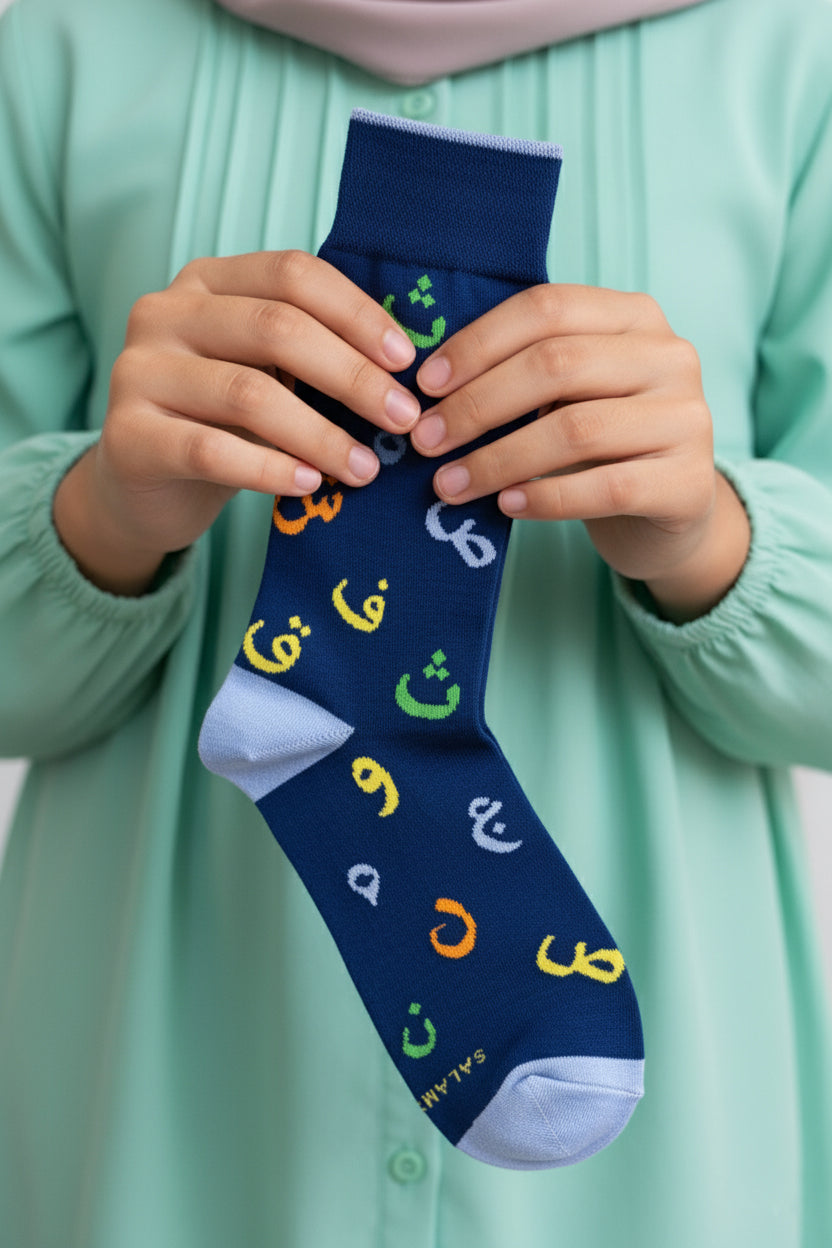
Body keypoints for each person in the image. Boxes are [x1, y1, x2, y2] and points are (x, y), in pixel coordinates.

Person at [0, 0, 831, 1242]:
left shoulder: (796, 45)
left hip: (661, 1177)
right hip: (161, 1121)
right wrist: (105, 511)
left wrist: (711, 539)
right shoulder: (53, 34)